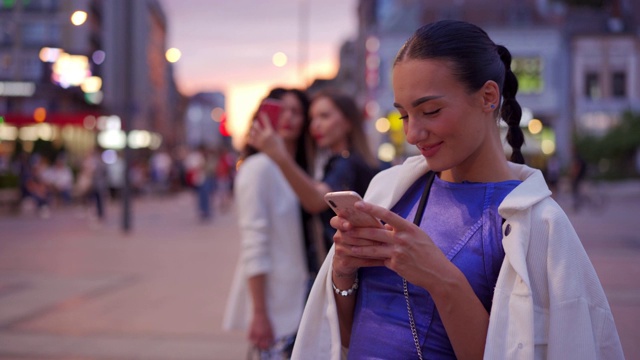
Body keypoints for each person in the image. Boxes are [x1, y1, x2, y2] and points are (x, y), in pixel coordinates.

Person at [291, 20, 624, 359]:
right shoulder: (391, 190)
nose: (412, 134)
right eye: (404, 115)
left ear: (488, 97)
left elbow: (517, 351)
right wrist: (344, 275)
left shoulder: (538, 225)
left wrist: (440, 279)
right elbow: (347, 339)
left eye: (430, 111)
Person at [223, 88, 314, 359]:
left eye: (296, 112)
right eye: (280, 109)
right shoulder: (258, 168)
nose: (288, 118)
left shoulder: (305, 170)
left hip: (308, 292)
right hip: (279, 301)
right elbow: (254, 242)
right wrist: (259, 313)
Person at [248, 89, 381, 270]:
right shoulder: (336, 161)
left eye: (324, 116)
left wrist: (279, 156)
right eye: (312, 119)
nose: (315, 125)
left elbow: (317, 201)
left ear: (348, 121)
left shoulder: (347, 162)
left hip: (354, 270)